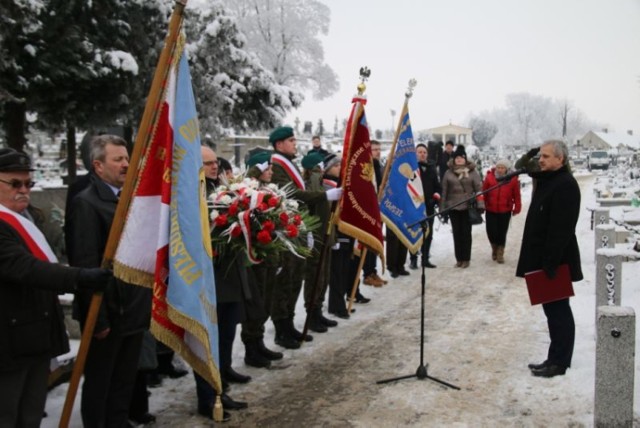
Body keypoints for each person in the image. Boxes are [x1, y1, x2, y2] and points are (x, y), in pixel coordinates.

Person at [0, 148, 111, 428]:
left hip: (35, 335)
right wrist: (80, 277)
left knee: (31, 414)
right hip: (8, 341)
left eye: (28, 184)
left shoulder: (28, 219)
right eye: (15, 183)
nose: (24, 190)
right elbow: (23, 267)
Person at [66, 135, 152, 427]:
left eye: (127, 158)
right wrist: (98, 319)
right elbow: (86, 263)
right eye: (118, 159)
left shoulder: (128, 197)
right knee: (101, 384)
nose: (126, 164)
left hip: (133, 308)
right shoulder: (87, 204)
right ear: (98, 166)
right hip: (109, 312)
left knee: (123, 383)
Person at [269, 126, 342, 348]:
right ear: (279, 144)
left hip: (297, 230)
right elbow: (290, 194)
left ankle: (289, 324)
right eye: (291, 140)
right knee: (286, 282)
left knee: (294, 280)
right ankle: (282, 329)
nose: (295, 143)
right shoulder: (277, 166)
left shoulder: (287, 164)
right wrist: (323, 195)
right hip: (285, 232)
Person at [516, 139, 583, 378]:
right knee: (552, 311)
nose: (540, 160)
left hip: (554, 261)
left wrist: (550, 264)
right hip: (544, 259)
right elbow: (523, 165)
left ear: (560, 159)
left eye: (545, 156)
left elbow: (561, 229)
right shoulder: (549, 180)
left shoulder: (565, 184)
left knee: (558, 311)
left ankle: (560, 362)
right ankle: (554, 357)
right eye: (540, 156)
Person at [195, 145, 248, 418]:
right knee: (208, 342)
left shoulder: (225, 190)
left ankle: (221, 384)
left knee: (227, 335)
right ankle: (208, 397)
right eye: (207, 163)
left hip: (229, 277)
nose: (214, 167)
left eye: (215, 162)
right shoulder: (193, 195)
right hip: (208, 279)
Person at [240, 151, 285, 369]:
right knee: (255, 303)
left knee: (266, 300)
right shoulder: (248, 192)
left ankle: (259, 342)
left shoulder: (269, 190)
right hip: (256, 256)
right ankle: (251, 347)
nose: (272, 172)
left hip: (269, 254)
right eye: (268, 169)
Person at [441, 145, 484, 268]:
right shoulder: (448, 173)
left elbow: (479, 189)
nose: (459, 159)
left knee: (466, 233)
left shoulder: (473, 172)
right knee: (456, 233)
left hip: (467, 207)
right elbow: (444, 191)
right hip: (453, 207)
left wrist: (480, 205)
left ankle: (466, 258)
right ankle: (459, 258)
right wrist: (442, 208)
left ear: (465, 159)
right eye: (457, 158)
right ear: (453, 159)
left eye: (461, 157)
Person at [409, 143, 442, 269]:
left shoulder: (432, 169)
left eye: (424, 152)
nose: (422, 154)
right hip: (415, 207)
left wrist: (435, 198)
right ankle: (413, 258)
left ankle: (425, 258)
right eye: (419, 152)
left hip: (429, 207)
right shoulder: (412, 169)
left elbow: (438, 187)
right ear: (415, 154)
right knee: (415, 233)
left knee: (428, 233)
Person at [482, 159, 521, 263]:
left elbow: (516, 195)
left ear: (506, 169)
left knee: (502, 232)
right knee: (491, 232)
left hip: (505, 210)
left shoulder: (512, 179)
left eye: (502, 168)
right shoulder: (490, 177)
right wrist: (481, 205)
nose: (500, 170)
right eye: (498, 167)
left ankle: (500, 253)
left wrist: (517, 207)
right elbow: (484, 192)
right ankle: (494, 248)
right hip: (491, 209)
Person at [362, 140, 386, 287]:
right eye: (374, 149)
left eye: (379, 149)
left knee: (375, 242)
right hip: (368, 210)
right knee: (368, 242)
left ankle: (373, 271)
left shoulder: (379, 166)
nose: (377, 152)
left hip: (378, 209)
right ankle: (367, 273)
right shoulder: (366, 167)